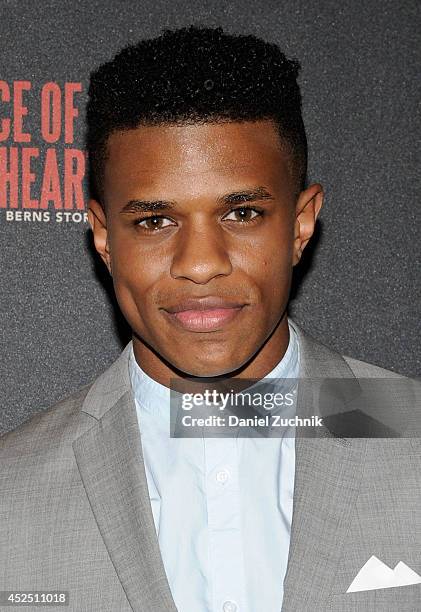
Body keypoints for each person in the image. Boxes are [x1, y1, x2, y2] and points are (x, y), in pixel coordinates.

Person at [1, 25, 420, 612]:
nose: (200, 264)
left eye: (242, 212)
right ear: (103, 237)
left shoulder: (415, 440)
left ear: (300, 225)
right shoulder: (12, 489)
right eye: (155, 221)